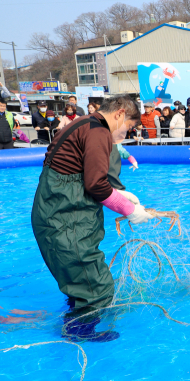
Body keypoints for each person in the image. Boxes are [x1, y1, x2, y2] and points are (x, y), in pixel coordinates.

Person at [31, 96, 152, 341]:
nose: (125, 134)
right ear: (119, 114)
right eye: (128, 127)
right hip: (64, 219)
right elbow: (96, 185)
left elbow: (79, 173)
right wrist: (130, 210)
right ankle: (79, 333)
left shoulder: (83, 123)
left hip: (56, 214)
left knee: (78, 280)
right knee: (96, 286)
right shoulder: (99, 132)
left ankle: (77, 318)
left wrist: (119, 193)